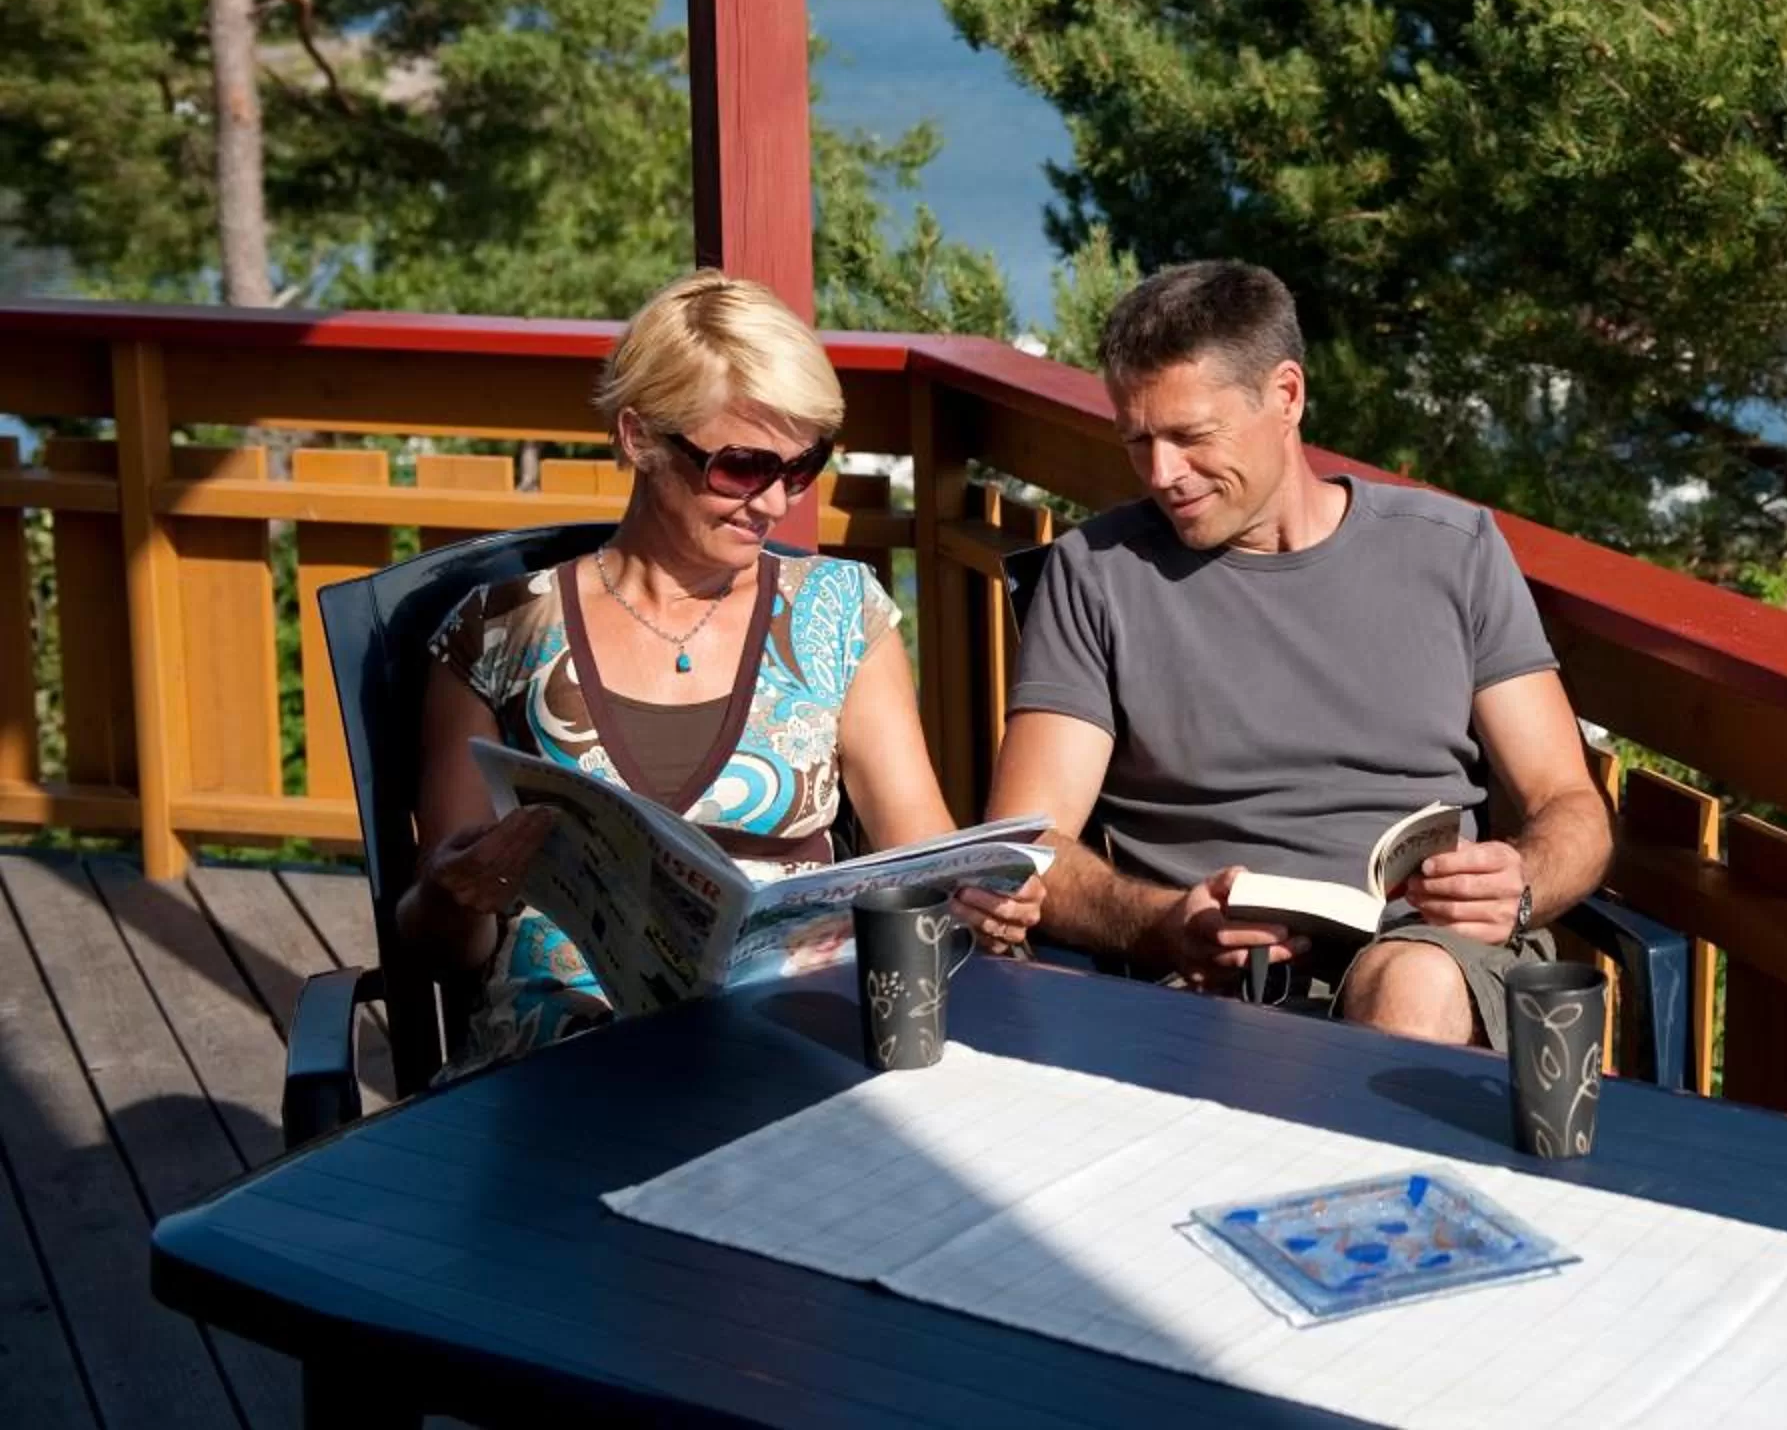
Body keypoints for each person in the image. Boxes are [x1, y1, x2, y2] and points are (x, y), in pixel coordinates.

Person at [401, 269, 1045, 1066]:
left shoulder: (841, 614)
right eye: (742, 467)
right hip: (566, 1055)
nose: (775, 503)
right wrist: (454, 898)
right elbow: (439, 949)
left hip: (792, 1033)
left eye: (801, 468)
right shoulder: (497, 632)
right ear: (640, 439)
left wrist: (982, 900)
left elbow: (921, 851)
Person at [977, 260, 1612, 1048]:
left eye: (1191, 437)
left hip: (1431, 951)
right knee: (1264, 1047)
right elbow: (1026, 844)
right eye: (1137, 441)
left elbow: (1570, 805)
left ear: (1286, 395)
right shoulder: (1096, 574)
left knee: (1409, 985)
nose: (1161, 474)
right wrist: (1161, 923)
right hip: (1212, 973)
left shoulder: (1452, 552)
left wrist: (1520, 884)